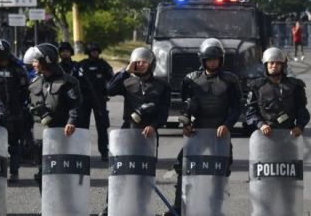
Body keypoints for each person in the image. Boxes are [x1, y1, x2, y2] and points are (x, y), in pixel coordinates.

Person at [163, 38, 243, 216]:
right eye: (209, 59)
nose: (212, 62)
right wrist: (187, 125)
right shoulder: (191, 79)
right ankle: (179, 206)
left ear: (221, 59)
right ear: (203, 60)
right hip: (198, 131)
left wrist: (227, 124)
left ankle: (216, 207)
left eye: (215, 59)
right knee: (183, 165)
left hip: (220, 132)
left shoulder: (231, 80)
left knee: (221, 168)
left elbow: (237, 107)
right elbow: (187, 104)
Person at [98, 47, 171, 216]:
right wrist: (125, 72)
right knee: (119, 170)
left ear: (151, 63)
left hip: (149, 133)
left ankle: (142, 206)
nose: (141, 64)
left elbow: (164, 112)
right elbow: (108, 90)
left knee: (144, 172)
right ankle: (111, 206)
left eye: (144, 61)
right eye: (137, 61)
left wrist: (154, 126)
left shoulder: (161, 85)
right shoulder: (127, 81)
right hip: (128, 131)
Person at [24, 43, 81, 192]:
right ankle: (47, 206)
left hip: (61, 133)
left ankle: (64, 205)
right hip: (39, 135)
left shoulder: (67, 81)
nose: (33, 64)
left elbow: (75, 105)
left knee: (61, 170)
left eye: (36, 61)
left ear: (46, 60)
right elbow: (27, 104)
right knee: (43, 172)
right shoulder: (34, 82)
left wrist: (71, 122)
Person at [0, 36, 29, 182]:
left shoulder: (18, 69)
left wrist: (18, 107)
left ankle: (14, 173)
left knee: (14, 145)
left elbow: (25, 90)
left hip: (15, 114)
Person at [246, 47, 310, 137]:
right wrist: (261, 125)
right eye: (271, 63)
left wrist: (299, 126)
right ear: (266, 65)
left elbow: (302, 110)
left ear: (283, 66)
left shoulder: (295, 86)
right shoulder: (257, 86)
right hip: (265, 136)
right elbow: (251, 112)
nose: (274, 66)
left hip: (288, 134)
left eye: (278, 63)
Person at [78, 42, 113, 161]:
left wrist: (107, 92)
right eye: (92, 51)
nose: (94, 53)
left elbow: (111, 80)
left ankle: (104, 151)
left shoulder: (104, 65)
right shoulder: (82, 65)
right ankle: (82, 151)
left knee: (102, 126)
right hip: (84, 99)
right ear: (88, 53)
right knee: (82, 125)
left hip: (99, 99)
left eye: (96, 51)